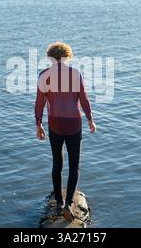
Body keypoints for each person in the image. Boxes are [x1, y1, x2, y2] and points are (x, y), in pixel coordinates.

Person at [34, 42, 97, 222]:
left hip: (55, 124)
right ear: (68, 56)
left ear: (50, 58)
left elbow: (39, 103)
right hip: (74, 124)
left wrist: (38, 124)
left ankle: (60, 202)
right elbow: (84, 100)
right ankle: (69, 203)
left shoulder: (44, 75)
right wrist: (90, 119)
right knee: (74, 166)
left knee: (57, 164)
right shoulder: (76, 74)